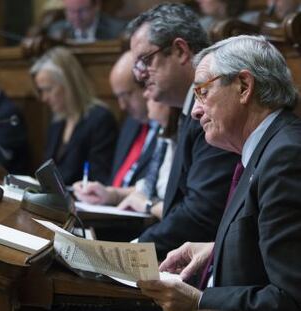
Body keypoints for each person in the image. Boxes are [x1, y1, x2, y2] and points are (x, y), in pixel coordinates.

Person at [137, 34, 301, 311]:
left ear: (244, 86)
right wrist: (218, 249)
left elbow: (290, 299)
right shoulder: (267, 148)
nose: (195, 112)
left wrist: (197, 302)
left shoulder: (286, 158)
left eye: (203, 92)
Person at [126, 3, 239, 260]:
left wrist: (134, 250)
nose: (141, 75)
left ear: (180, 51)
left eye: (145, 61)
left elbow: (201, 213)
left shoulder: (212, 110)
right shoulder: (186, 108)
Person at [74, 95, 180, 219]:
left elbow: (190, 210)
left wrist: (148, 206)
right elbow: (150, 186)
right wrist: (110, 194)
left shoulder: (185, 135)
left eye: (151, 88)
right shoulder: (164, 132)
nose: (145, 94)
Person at [30, 47, 118, 185]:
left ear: (68, 84)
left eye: (48, 90)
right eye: (41, 91)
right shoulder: (57, 122)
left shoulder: (100, 119)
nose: (44, 98)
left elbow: (98, 178)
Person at [108, 51, 159, 188]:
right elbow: (116, 179)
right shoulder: (130, 123)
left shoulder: (170, 125)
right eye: (118, 97)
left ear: (146, 85)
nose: (122, 106)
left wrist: (115, 196)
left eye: (127, 95)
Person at [47, 0, 126, 42]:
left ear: (96, 6)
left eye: (81, 11)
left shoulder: (117, 31)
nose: (76, 17)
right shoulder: (56, 31)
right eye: (71, 11)